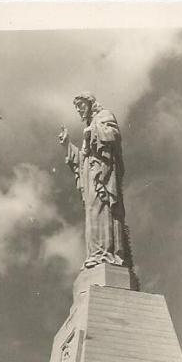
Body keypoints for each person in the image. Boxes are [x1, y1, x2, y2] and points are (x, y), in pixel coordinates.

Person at [58, 93, 128, 268]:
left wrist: (93, 131)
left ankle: (106, 254)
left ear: (90, 104)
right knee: (92, 212)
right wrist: (67, 145)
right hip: (91, 174)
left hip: (103, 174)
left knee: (102, 209)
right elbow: (83, 159)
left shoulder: (104, 115)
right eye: (77, 107)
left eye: (81, 105)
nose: (79, 110)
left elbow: (114, 135)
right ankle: (96, 255)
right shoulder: (90, 125)